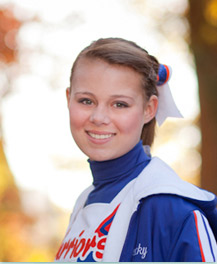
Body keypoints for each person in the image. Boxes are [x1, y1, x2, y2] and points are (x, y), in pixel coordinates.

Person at [55, 38, 217, 262]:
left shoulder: (171, 208)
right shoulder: (83, 201)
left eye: (119, 104)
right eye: (86, 101)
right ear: (68, 99)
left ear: (149, 109)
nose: (99, 117)